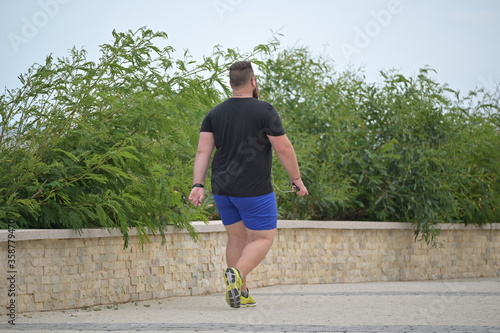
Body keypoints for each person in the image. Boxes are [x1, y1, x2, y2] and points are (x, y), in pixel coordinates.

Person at [189, 61, 308, 308]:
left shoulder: (215, 113)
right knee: (263, 238)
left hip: (222, 188)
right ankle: (237, 274)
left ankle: (241, 292)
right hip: (254, 190)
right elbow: (284, 148)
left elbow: (203, 151)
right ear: (253, 81)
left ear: (231, 83)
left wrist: (198, 184)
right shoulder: (264, 111)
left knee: (236, 237)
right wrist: (296, 179)